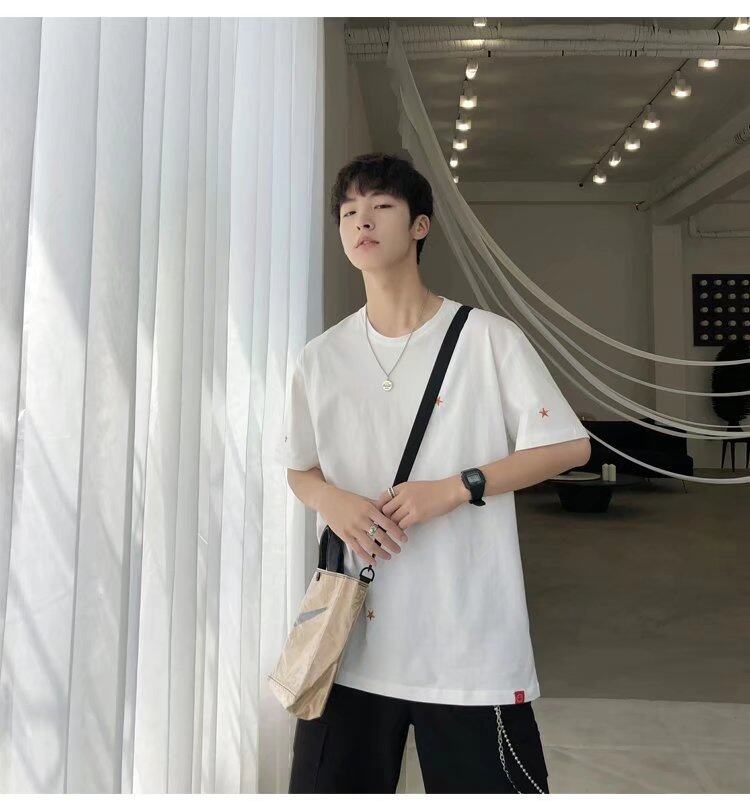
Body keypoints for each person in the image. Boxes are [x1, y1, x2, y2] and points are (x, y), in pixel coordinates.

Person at [275, 152, 591, 793]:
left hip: (468, 639)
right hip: (352, 639)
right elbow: (298, 467)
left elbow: (568, 447)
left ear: (420, 225)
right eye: (348, 212)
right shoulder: (321, 357)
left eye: (381, 206)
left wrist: (454, 488)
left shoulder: (487, 339)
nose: (362, 222)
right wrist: (332, 501)